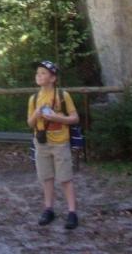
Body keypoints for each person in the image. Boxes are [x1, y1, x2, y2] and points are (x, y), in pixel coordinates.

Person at [26, 60, 79, 229]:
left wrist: (57, 118)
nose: (39, 76)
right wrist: (36, 113)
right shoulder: (34, 99)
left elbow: (75, 118)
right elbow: (30, 123)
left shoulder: (63, 95)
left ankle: (72, 212)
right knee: (46, 178)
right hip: (41, 143)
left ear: (53, 78)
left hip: (60, 143)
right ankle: (48, 209)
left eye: (43, 73)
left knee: (65, 178)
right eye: (37, 73)